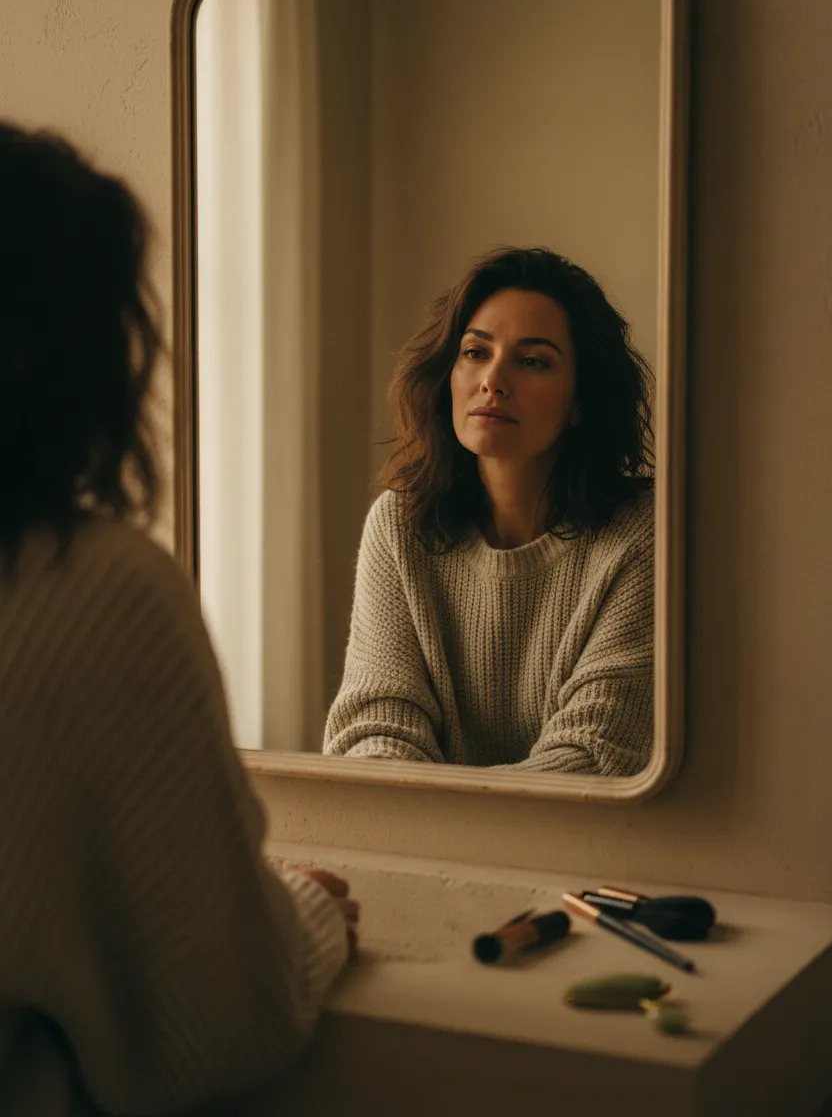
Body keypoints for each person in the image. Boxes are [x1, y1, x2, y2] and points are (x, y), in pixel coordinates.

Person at [0, 120, 358, 1116]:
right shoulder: (91, 592)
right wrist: (308, 912)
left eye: (534, 359)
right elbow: (216, 1026)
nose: (494, 379)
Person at [323, 246, 655, 775]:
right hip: (417, 827)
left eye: (532, 361)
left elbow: (596, 751)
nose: (493, 381)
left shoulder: (642, 534)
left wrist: (441, 805)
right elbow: (376, 728)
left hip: (575, 835)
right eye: (476, 352)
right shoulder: (400, 526)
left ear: (579, 400)